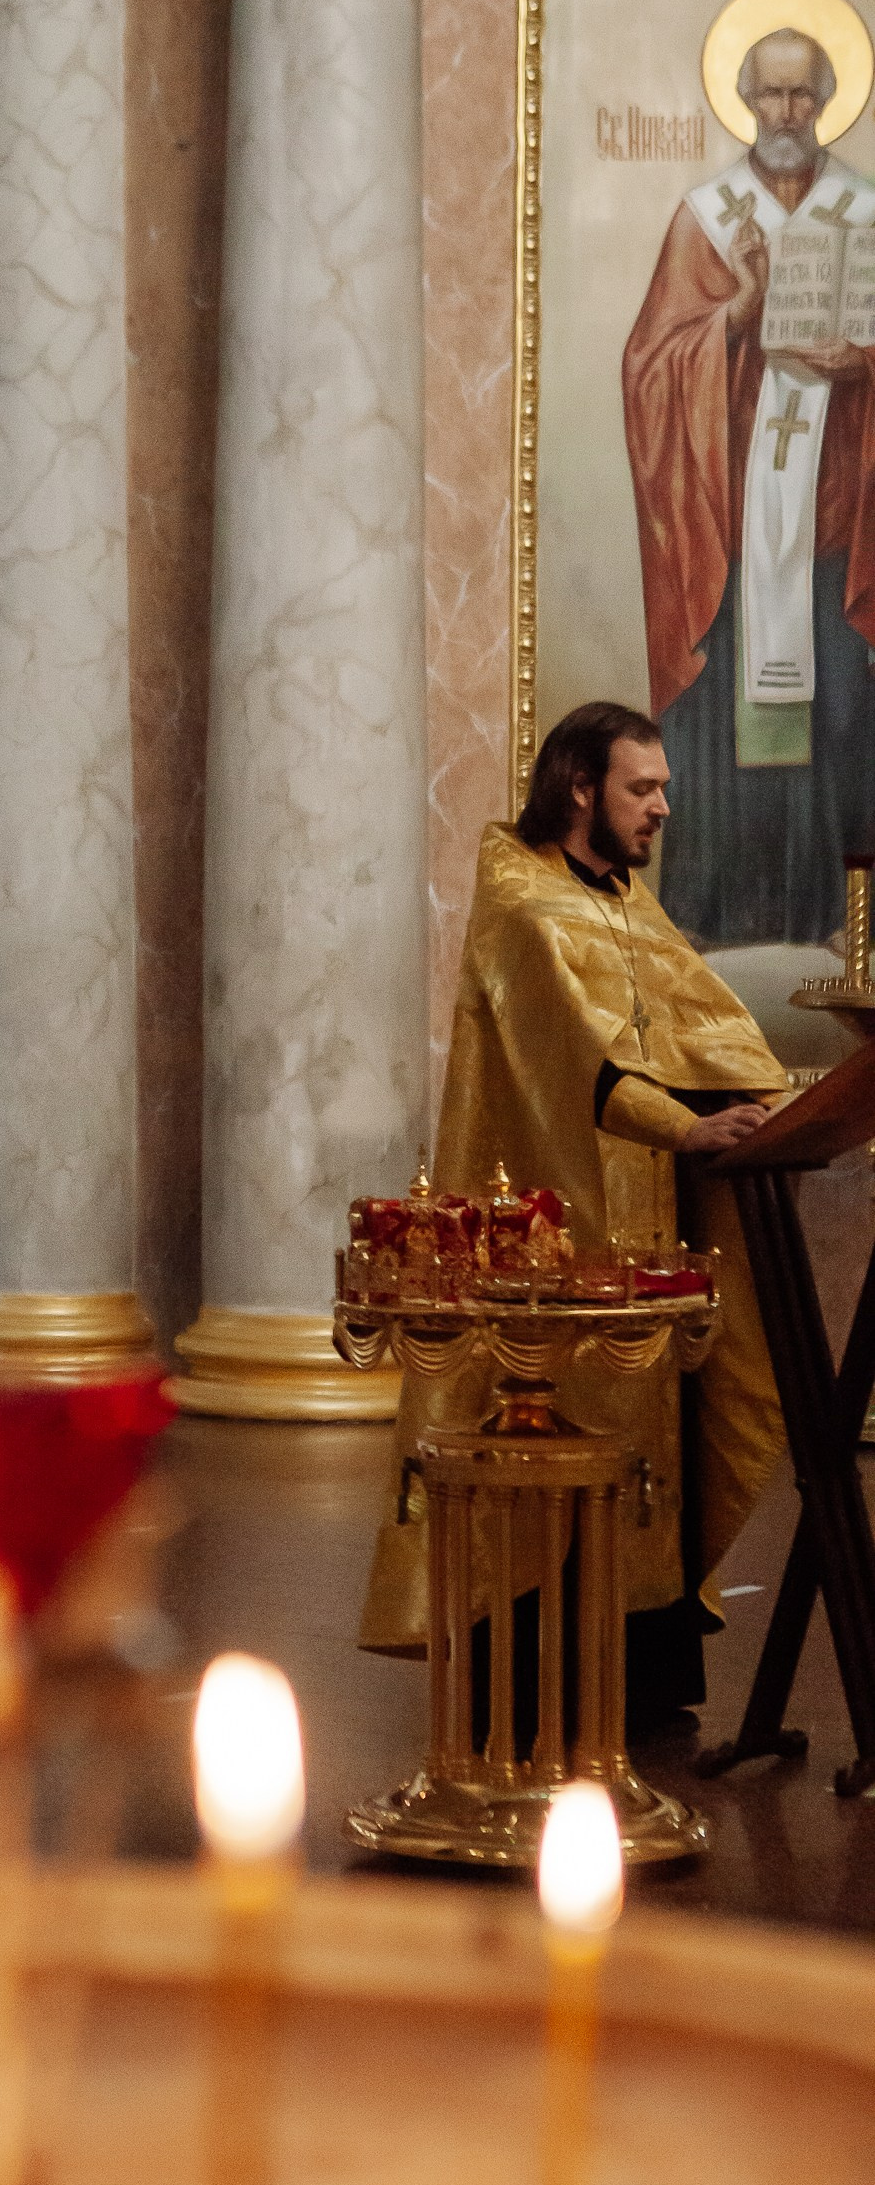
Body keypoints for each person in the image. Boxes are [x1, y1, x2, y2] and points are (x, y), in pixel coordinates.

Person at [361, 701, 788, 1722]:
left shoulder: (625, 904)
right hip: (550, 1239)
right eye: (642, 787)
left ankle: (639, 1674)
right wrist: (683, 1128)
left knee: (653, 1453)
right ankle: (534, 1676)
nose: (661, 807)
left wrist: (762, 1104)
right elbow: (576, 1054)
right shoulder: (523, 907)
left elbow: (694, 1029)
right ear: (577, 788)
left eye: (663, 788)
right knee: (554, 1448)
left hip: (648, 1226)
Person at [621, 24, 875, 944]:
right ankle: (703, 918)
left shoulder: (864, 212)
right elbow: (648, 367)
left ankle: (847, 918)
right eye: (768, 94)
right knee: (722, 701)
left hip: (832, 523)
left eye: (802, 94)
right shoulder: (706, 217)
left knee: (842, 703)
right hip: (727, 522)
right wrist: (737, 312)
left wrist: (864, 365)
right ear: (742, 99)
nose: (786, 113)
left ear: (826, 98)